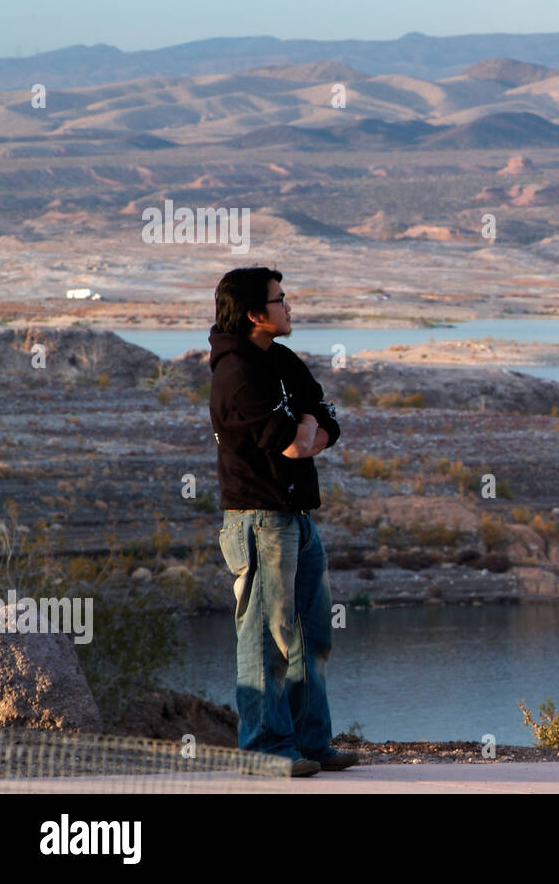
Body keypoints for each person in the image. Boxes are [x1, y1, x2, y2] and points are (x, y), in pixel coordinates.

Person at [208, 266, 358, 777]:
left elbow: (325, 422)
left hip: (297, 517)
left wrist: (311, 425)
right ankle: (266, 750)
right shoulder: (238, 374)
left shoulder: (283, 360)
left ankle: (310, 744)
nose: (289, 307)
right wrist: (309, 428)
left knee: (312, 637)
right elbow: (296, 444)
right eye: (280, 299)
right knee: (265, 639)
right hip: (259, 522)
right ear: (255, 313)